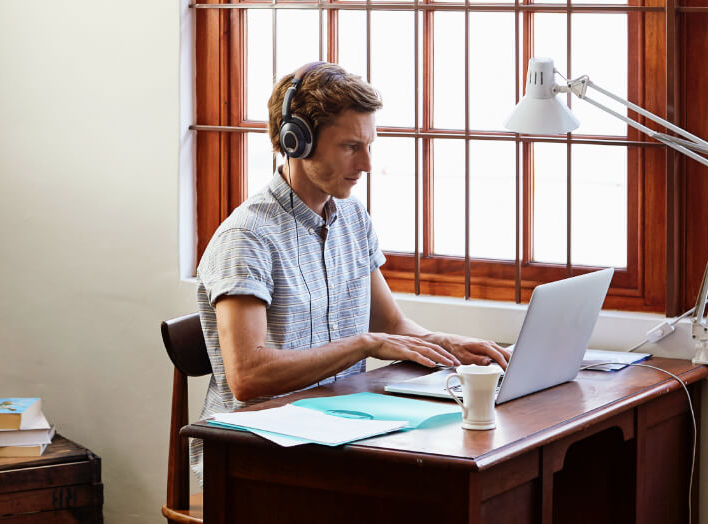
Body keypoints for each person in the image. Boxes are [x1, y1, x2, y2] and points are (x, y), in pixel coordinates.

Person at [191, 61, 510, 481]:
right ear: (296, 142)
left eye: (369, 146)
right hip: (253, 454)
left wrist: (449, 346)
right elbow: (248, 377)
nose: (367, 164)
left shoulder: (353, 217)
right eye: (349, 147)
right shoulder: (247, 238)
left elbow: (389, 323)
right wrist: (363, 345)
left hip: (338, 433)